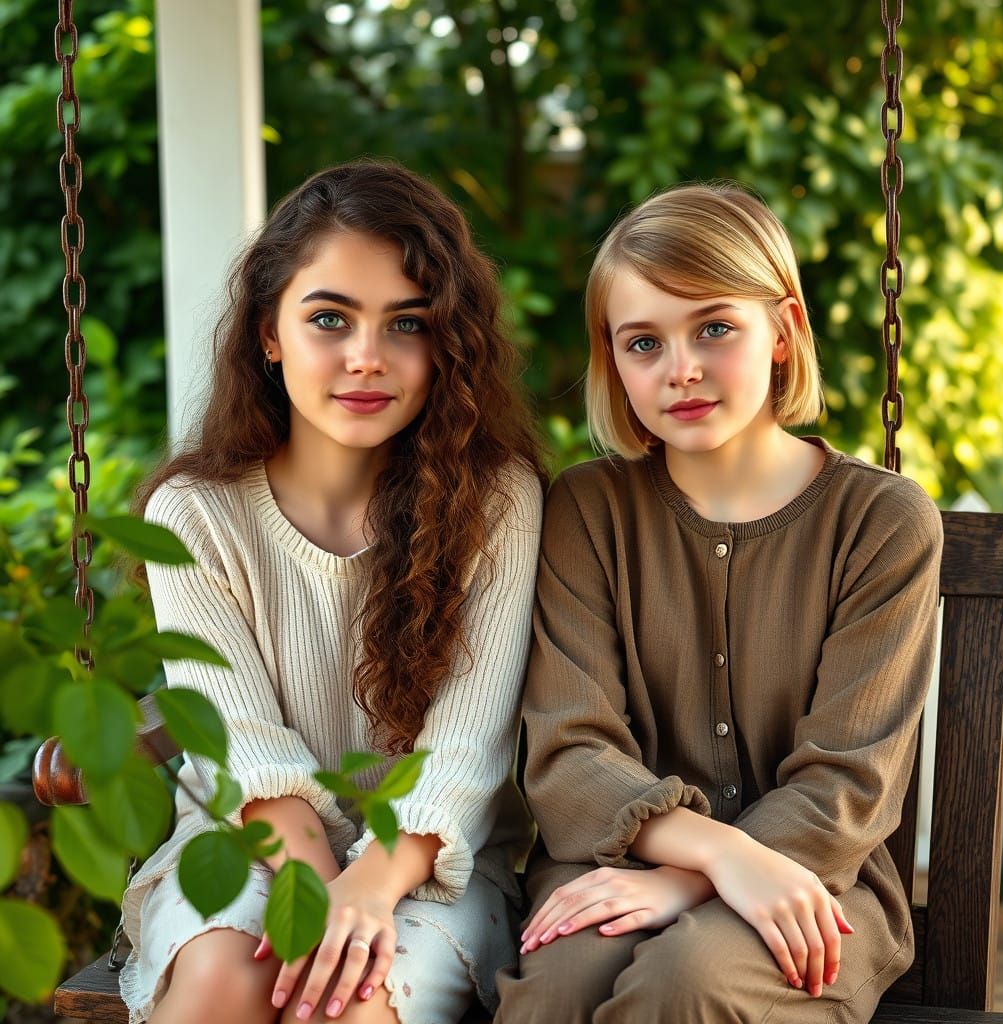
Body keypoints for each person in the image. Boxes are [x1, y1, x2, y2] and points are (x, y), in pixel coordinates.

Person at [495, 182, 941, 1023]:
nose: (681, 369)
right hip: (612, 861)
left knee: (690, 979)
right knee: (557, 987)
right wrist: (708, 856)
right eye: (643, 343)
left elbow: (849, 778)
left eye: (714, 328)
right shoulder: (587, 510)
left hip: (815, 880)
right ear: (612, 361)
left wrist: (693, 880)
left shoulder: (881, 521)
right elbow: (570, 751)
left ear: (785, 330)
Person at [118, 160, 545, 1024]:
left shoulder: (496, 501)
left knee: (345, 1006)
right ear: (269, 334)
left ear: (446, 343)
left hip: (431, 862)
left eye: (407, 323)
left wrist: (366, 893)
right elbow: (240, 749)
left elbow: (465, 753)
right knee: (225, 981)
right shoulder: (195, 513)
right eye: (329, 319)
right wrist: (318, 897)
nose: (366, 358)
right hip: (250, 842)